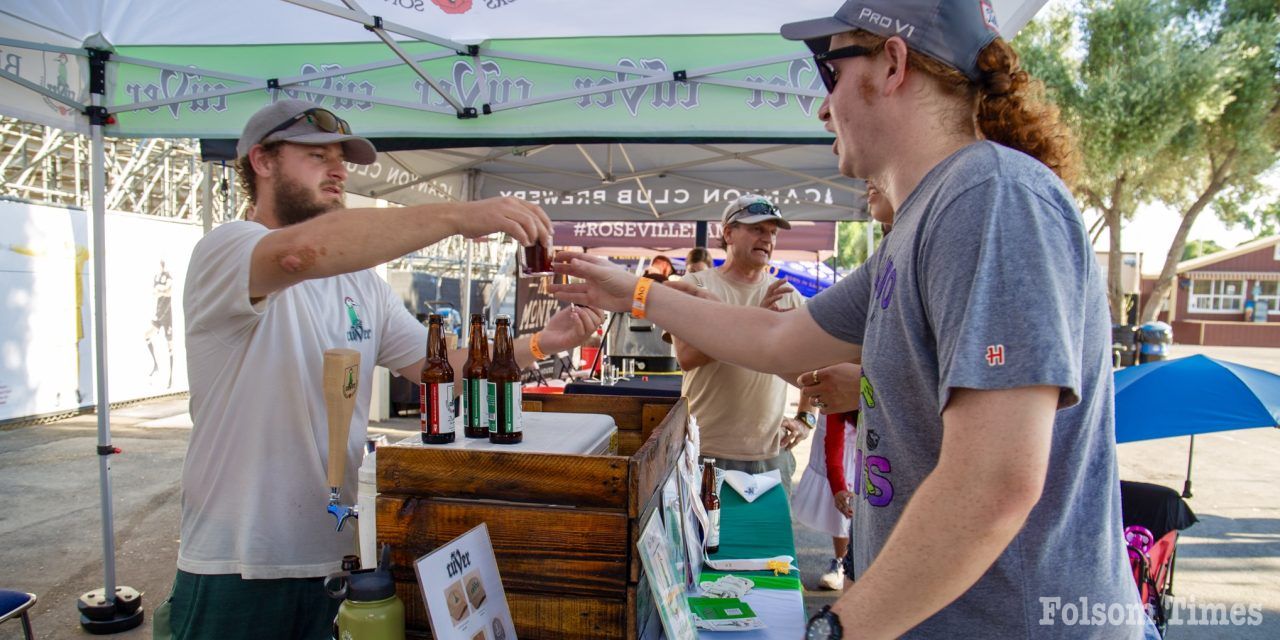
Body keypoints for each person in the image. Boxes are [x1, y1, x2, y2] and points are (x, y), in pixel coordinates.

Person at [550, 1, 1154, 637]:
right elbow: (781, 339)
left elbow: (994, 483)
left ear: (892, 63)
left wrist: (838, 629)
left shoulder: (989, 197)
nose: (821, 104)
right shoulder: (931, 215)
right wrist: (636, 293)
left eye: (827, 70)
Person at [164, 99, 602, 640]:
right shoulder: (228, 249)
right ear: (262, 160)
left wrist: (541, 342)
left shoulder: (361, 284)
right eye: (316, 155)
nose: (338, 170)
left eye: (342, 159)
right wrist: (456, 216)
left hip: (342, 557)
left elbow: (438, 368)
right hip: (237, 565)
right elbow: (299, 253)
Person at [669, 194, 817, 494]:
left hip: (771, 454)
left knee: (766, 542)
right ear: (728, 233)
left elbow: (812, 366)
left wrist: (806, 418)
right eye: (757, 229)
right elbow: (686, 358)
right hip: (705, 449)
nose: (767, 239)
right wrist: (754, 321)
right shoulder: (696, 286)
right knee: (704, 541)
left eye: (772, 232)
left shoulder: (786, 294)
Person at [792, 180, 893, 591]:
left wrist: (872, 385)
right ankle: (844, 563)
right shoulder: (884, 264)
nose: (827, 113)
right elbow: (782, 339)